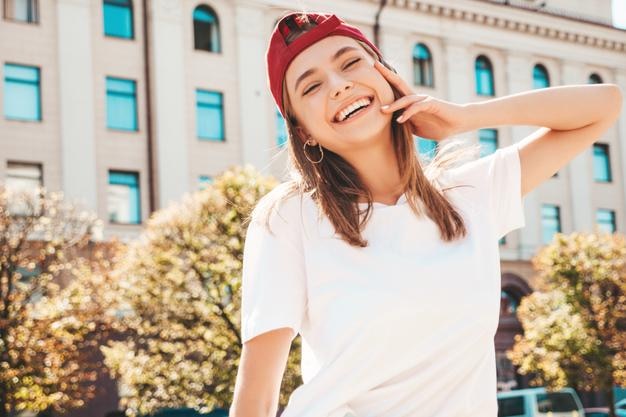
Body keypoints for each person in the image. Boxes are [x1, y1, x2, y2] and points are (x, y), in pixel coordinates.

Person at [229, 10, 623, 417]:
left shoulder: (470, 195)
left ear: (388, 77)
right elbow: (256, 396)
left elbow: (604, 104)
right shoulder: (288, 216)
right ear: (303, 131)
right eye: (311, 86)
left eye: (350, 62)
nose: (339, 84)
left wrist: (465, 117)